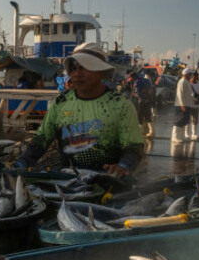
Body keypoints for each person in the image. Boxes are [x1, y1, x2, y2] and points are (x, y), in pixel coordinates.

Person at [13, 42, 144, 178]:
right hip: (68, 179)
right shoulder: (61, 103)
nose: (77, 74)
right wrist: (23, 161)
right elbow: (42, 139)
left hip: (107, 181)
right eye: (73, 69)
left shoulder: (120, 105)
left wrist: (123, 166)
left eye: (84, 67)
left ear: (101, 72)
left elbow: (134, 147)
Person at [172, 68, 197, 142]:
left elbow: (190, 94)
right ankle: (175, 137)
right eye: (190, 74)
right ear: (186, 74)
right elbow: (180, 94)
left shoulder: (186, 82)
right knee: (179, 121)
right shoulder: (182, 82)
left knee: (184, 121)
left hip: (187, 104)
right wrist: (182, 104)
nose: (191, 75)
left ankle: (181, 136)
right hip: (181, 105)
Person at [129, 71, 155, 138]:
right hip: (148, 100)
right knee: (148, 116)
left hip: (141, 102)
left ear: (134, 77)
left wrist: (133, 94)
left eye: (131, 78)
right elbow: (151, 89)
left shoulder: (136, 82)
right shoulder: (145, 80)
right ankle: (151, 132)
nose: (131, 80)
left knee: (139, 116)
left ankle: (138, 132)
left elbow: (137, 93)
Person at [188, 72, 199, 140]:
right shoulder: (188, 83)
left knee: (195, 119)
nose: (194, 78)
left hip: (196, 104)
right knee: (187, 120)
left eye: (195, 76)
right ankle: (186, 134)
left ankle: (194, 134)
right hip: (189, 104)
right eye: (193, 76)